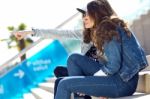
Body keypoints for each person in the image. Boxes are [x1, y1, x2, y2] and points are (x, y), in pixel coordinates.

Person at [13, 0, 148, 99]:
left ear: (97, 13)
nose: (83, 18)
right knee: (73, 59)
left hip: (122, 82)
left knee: (64, 84)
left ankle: (82, 95)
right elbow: (61, 33)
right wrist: (31, 32)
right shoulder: (93, 32)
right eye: (83, 15)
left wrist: (92, 82)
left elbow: (113, 65)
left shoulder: (108, 27)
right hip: (114, 78)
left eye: (86, 14)